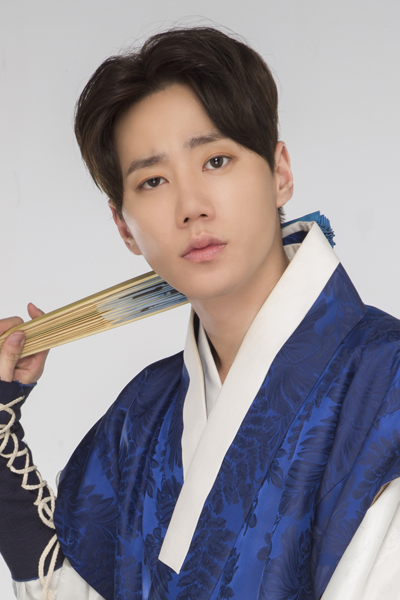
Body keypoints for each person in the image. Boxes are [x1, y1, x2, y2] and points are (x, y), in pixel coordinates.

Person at [1, 26, 400, 600]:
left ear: (280, 172)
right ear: (124, 227)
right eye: (153, 180)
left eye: (216, 160)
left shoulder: (384, 386)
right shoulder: (142, 416)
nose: (191, 207)